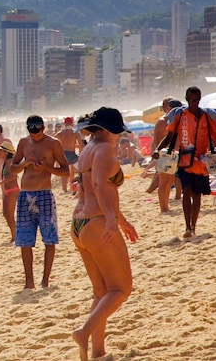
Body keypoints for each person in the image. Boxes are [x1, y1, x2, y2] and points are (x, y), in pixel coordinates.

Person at [70, 108, 138, 361]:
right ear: (109, 130)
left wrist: (122, 220)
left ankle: (98, 352)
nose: (119, 136)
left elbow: (97, 187)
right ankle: (83, 332)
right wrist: (111, 219)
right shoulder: (104, 149)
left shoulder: (88, 148)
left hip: (80, 224)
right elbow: (99, 184)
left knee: (101, 293)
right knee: (121, 289)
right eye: (118, 132)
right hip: (97, 222)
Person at [153, 86, 216, 239]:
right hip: (184, 161)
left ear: (199, 99)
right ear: (187, 99)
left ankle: (193, 227)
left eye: (196, 100)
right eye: (191, 100)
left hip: (202, 163)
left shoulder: (206, 117)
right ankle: (187, 226)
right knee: (186, 191)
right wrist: (157, 149)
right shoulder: (180, 116)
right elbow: (169, 136)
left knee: (197, 195)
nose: (194, 103)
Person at [10, 115, 70, 289]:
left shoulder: (53, 143)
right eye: (32, 134)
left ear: (43, 129)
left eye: (38, 134)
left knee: (49, 239)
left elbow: (65, 171)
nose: (35, 137)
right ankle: (29, 281)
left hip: (44, 193)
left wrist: (46, 168)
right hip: (25, 194)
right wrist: (25, 164)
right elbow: (11, 169)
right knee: (24, 240)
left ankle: (45, 280)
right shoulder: (23, 143)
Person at [148, 98, 183, 212]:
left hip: (175, 154)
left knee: (172, 180)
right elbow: (157, 140)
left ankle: (174, 200)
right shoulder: (162, 122)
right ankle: (164, 208)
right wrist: (159, 153)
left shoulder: (178, 121)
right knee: (164, 182)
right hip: (164, 154)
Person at [56, 117, 81, 192]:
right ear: (72, 123)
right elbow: (80, 144)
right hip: (71, 154)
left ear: (65, 124)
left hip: (62, 154)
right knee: (81, 170)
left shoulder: (60, 133)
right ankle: (72, 187)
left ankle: (64, 189)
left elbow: (52, 142)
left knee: (64, 173)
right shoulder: (75, 132)